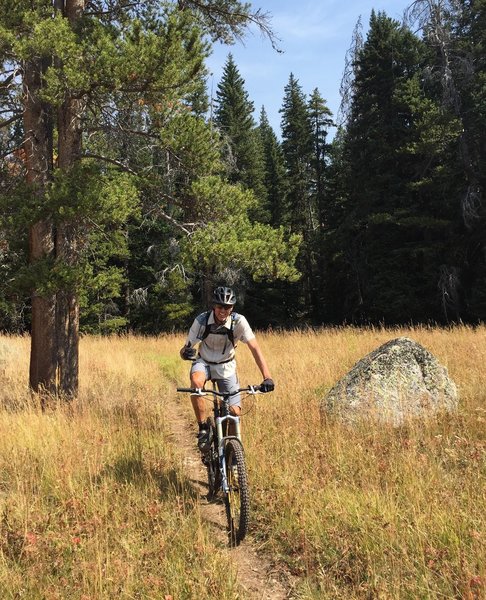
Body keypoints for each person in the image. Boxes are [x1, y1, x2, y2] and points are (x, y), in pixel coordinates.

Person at [180, 286, 274, 451]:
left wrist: (267, 377)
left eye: (227, 307)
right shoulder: (201, 321)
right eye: (220, 306)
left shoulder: (239, 322)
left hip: (226, 366)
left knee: (234, 413)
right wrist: (185, 353)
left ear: (232, 308)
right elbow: (184, 349)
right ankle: (202, 428)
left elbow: (255, 349)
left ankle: (231, 451)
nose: (223, 310)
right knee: (196, 383)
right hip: (204, 362)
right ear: (213, 306)